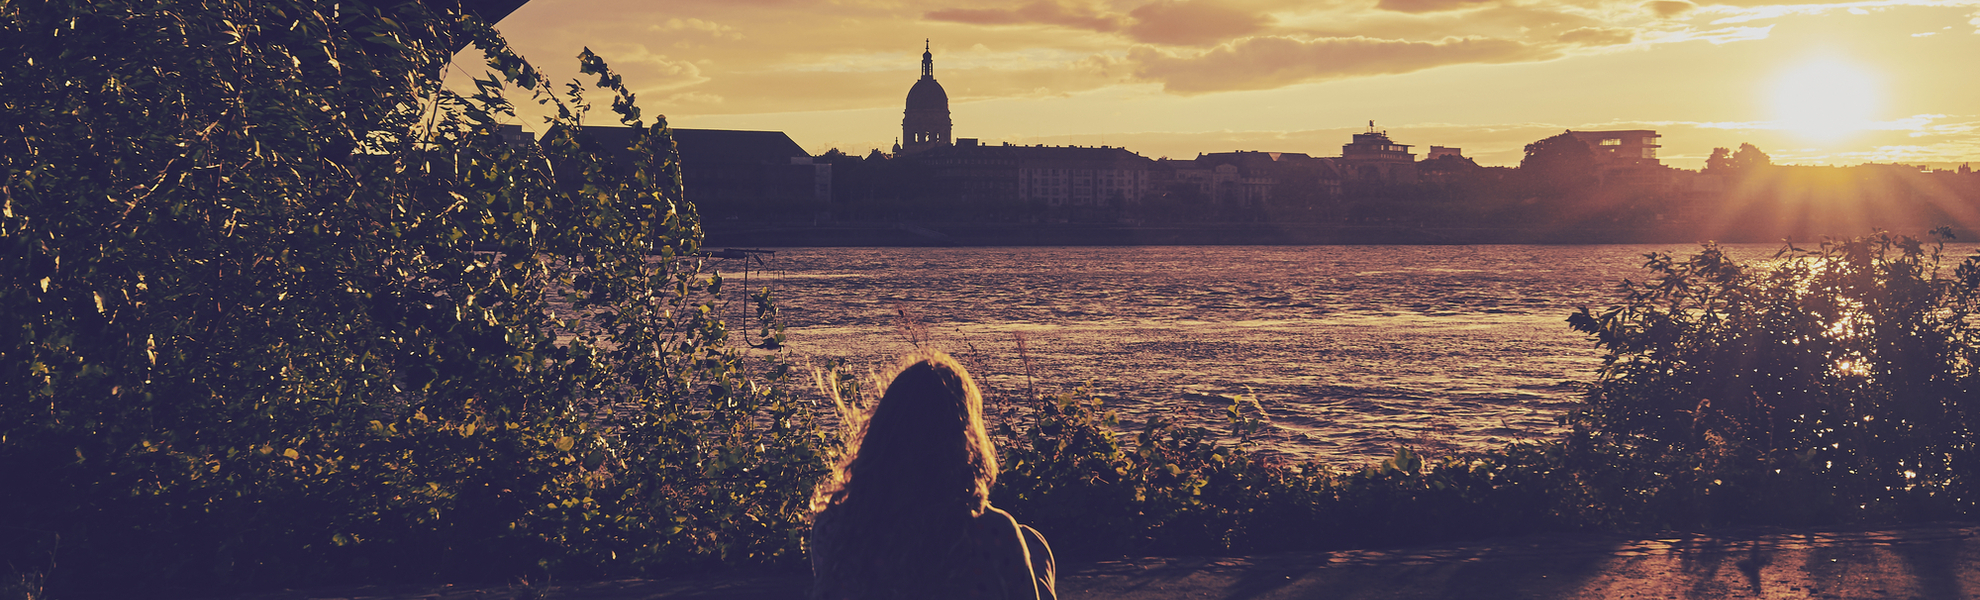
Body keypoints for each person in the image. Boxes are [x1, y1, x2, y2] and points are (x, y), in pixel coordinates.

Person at [809, 350, 1056, 600]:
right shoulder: (991, 533)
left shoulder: (833, 530)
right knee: (1034, 545)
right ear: (965, 440)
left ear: (879, 435)